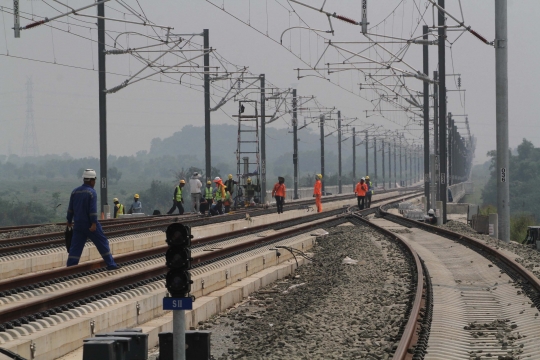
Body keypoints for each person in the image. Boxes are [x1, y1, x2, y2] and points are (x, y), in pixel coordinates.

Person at [66, 169, 119, 270]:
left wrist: (69, 221)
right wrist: (94, 223)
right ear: (91, 181)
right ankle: (111, 265)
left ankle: (70, 269)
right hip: (90, 225)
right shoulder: (91, 193)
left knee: (75, 247)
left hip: (78, 225)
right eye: (94, 180)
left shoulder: (75, 192)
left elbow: (70, 209)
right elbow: (93, 210)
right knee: (102, 242)